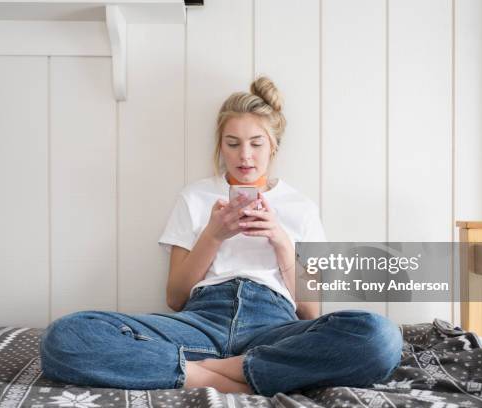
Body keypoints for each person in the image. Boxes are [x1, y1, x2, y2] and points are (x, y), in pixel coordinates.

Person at [39, 76, 403, 397]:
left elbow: (310, 311)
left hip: (273, 327)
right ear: (220, 145)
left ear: (273, 146)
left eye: (256, 143)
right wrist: (213, 236)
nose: (244, 156)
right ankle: (234, 376)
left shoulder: (301, 207)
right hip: (200, 322)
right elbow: (176, 298)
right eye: (232, 143)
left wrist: (280, 241)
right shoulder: (194, 197)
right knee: (66, 336)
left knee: (380, 337)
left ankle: (211, 369)